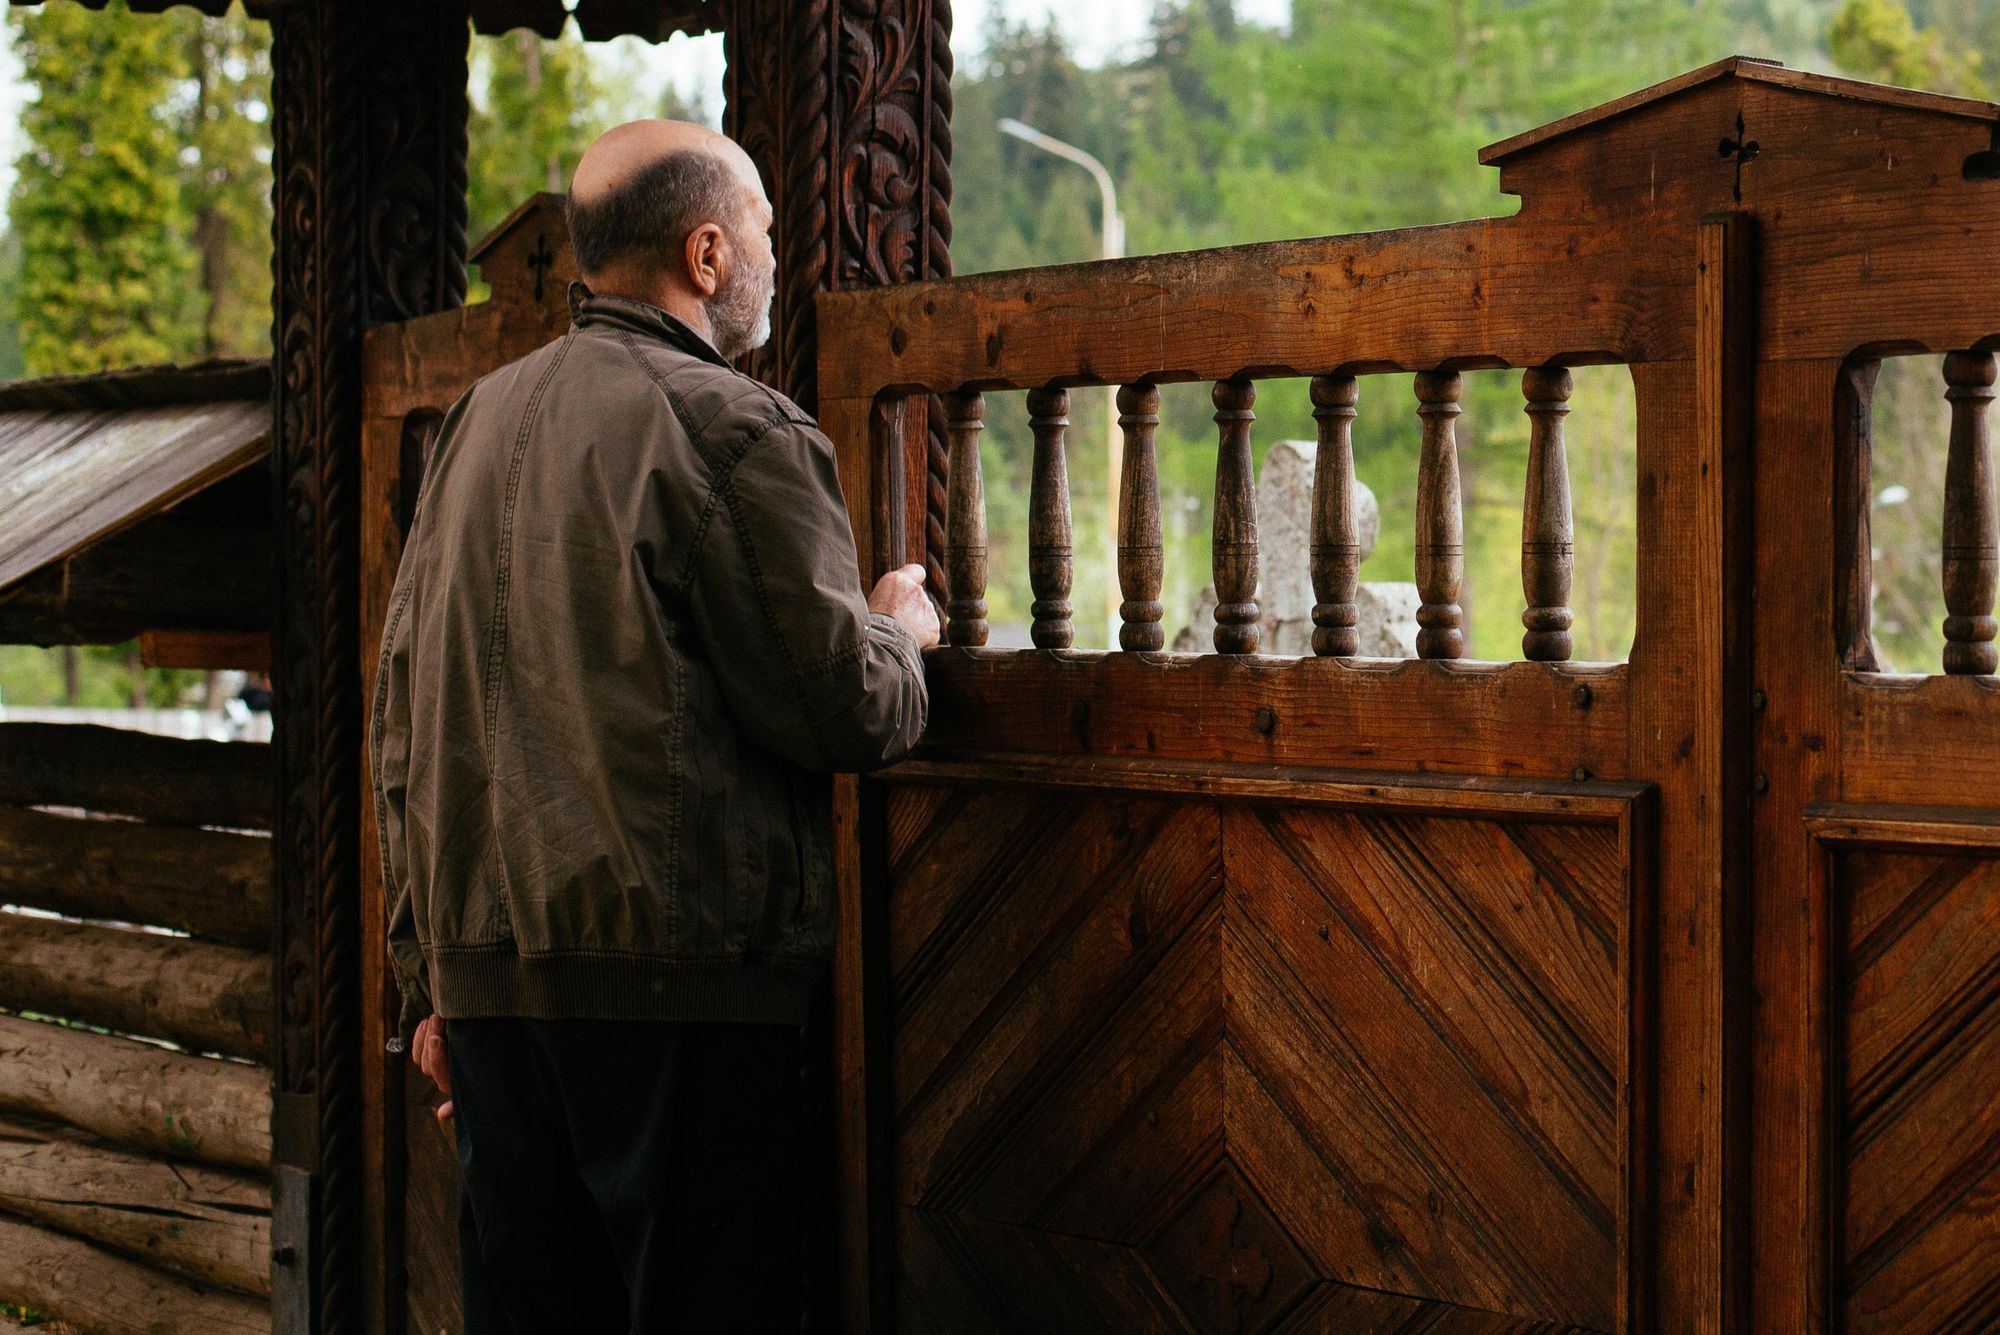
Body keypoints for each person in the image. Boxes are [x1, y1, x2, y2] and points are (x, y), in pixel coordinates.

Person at [368, 119, 937, 1333]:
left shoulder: (472, 425)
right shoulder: (734, 429)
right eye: (765, 232)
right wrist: (896, 631)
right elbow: (846, 707)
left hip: (489, 998)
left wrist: (428, 984)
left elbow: (401, 718)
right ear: (707, 253)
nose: (776, 258)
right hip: (680, 1001)